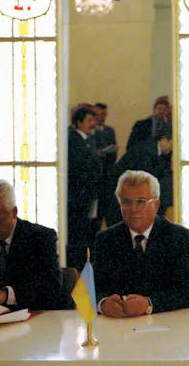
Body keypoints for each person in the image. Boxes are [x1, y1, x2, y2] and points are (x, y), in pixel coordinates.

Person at [93, 170, 189, 317]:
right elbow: (94, 287)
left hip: (166, 327)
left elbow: (186, 292)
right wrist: (103, 304)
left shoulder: (180, 238)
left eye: (141, 201)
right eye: (127, 202)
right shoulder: (106, 239)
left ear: (156, 204)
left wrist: (149, 304)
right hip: (117, 329)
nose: (134, 209)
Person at [0, 178, 64, 310]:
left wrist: (8, 293)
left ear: (14, 212)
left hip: (38, 321)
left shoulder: (41, 237)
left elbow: (51, 288)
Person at [113, 125, 173, 217]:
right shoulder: (146, 150)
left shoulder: (160, 152)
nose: (172, 148)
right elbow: (147, 175)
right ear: (164, 139)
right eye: (172, 144)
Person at [67, 105, 101, 269]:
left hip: (90, 194)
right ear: (79, 122)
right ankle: (77, 266)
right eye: (89, 120)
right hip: (77, 196)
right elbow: (77, 167)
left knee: (89, 230)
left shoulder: (90, 140)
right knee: (77, 233)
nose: (93, 123)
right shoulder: (72, 140)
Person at [92, 102, 120, 226]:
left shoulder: (109, 131)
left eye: (103, 114)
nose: (101, 117)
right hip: (95, 177)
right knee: (95, 215)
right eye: (98, 114)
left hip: (107, 176)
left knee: (110, 212)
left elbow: (113, 154)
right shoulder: (90, 132)